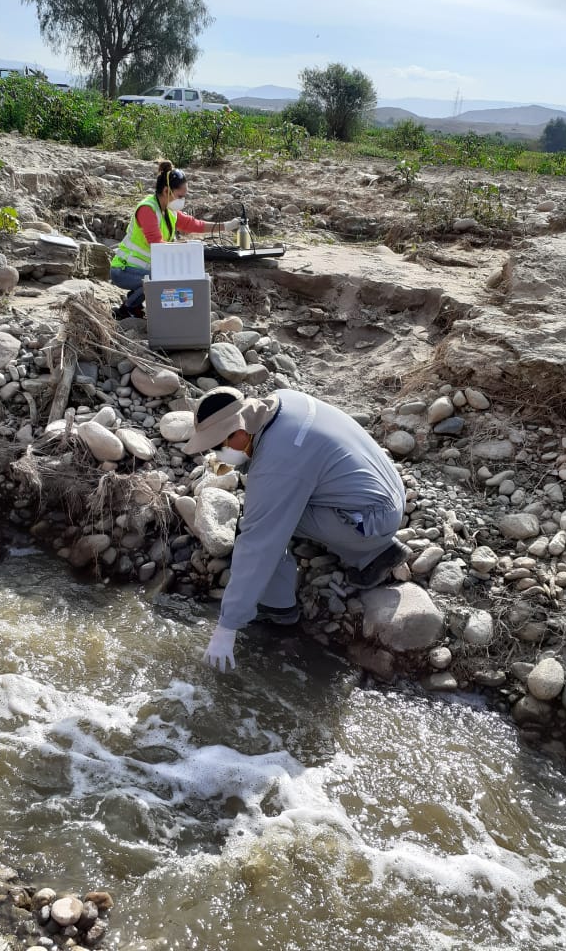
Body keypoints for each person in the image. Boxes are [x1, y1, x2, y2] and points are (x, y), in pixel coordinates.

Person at [182, 386, 410, 671]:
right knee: (273, 506)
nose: (215, 453)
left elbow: (259, 541)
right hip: (385, 491)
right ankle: (369, 549)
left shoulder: (281, 461)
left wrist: (227, 627)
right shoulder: (282, 401)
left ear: (239, 432)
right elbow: (284, 454)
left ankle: (279, 606)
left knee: (260, 524)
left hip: (372, 519)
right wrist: (228, 465)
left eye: (217, 446)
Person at [110, 159, 241, 319]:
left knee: (161, 277)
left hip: (140, 270)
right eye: (180, 195)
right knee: (157, 279)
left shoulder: (169, 211)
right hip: (123, 270)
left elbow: (194, 225)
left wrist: (226, 226)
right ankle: (126, 309)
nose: (182, 200)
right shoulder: (148, 209)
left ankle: (136, 302)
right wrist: (182, 246)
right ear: (167, 191)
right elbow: (156, 244)